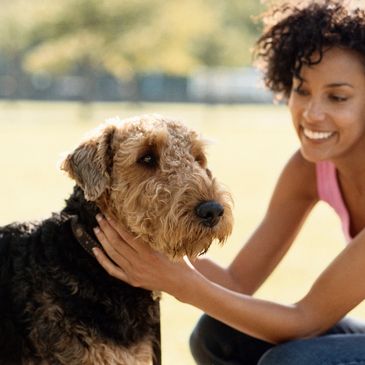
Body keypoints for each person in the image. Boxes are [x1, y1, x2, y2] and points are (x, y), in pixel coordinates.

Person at [92, 1, 365, 364]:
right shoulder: (309, 168)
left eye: (337, 96)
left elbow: (305, 321)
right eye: (301, 90)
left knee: (293, 361)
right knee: (217, 336)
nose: (312, 113)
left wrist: (178, 282)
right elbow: (236, 283)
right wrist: (136, 237)